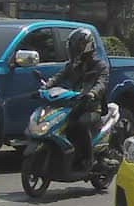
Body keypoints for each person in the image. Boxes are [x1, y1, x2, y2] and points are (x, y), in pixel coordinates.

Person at [44, 29, 108, 166]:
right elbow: (58, 77)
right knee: (59, 122)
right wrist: (46, 86)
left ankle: (87, 158)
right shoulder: (73, 65)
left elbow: (101, 83)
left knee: (80, 124)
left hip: (92, 108)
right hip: (74, 105)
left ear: (87, 45)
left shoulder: (100, 66)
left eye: (78, 45)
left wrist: (92, 93)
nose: (74, 49)